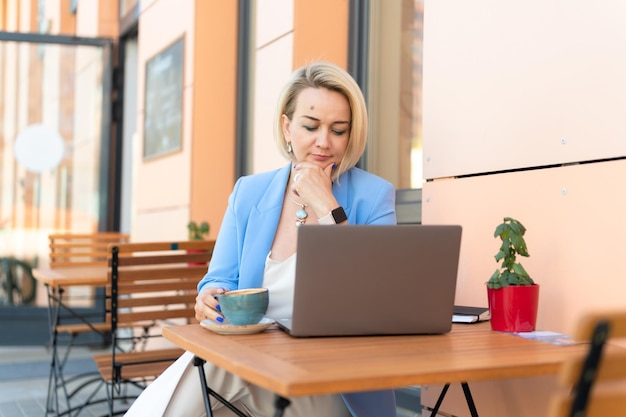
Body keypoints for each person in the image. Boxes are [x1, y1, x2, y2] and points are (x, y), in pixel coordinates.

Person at [124, 61, 397, 417]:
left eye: (338, 130)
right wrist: (210, 296)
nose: (323, 142)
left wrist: (327, 205)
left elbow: (378, 299)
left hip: (331, 385)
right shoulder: (249, 192)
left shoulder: (373, 196)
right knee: (219, 367)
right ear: (287, 127)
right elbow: (220, 278)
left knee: (214, 369)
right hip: (252, 369)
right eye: (310, 126)